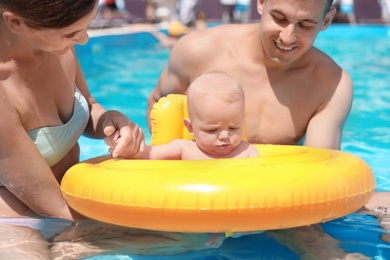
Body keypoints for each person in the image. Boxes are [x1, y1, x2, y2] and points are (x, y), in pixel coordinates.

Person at [146, 0, 375, 257]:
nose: (287, 37)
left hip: (271, 198)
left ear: (327, 20)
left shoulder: (331, 84)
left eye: (305, 24)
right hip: (196, 193)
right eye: (279, 18)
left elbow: (317, 175)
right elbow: (160, 105)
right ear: (261, 3)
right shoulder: (198, 50)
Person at [0, 0, 145, 222]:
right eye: (72, 33)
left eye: (87, 26)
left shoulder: (59, 47)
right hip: (19, 224)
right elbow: (51, 204)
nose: (84, 39)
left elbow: (88, 104)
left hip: (66, 206)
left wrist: (109, 120)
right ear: (15, 22)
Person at [114, 72, 259, 248]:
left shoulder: (246, 151)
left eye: (234, 128)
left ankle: (226, 230)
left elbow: (259, 185)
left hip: (233, 213)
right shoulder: (184, 148)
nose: (224, 136)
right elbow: (149, 155)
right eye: (212, 130)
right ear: (190, 127)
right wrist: (130, 150)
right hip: (189, 211)